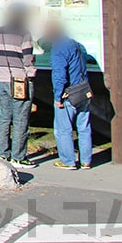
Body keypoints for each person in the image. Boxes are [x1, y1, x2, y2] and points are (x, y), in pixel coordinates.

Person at [0, 3, 37, 168]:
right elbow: (28, 59)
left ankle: (2, 153)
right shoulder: (24, 33)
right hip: (19, 80)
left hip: (1, 78)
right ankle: (18, 157)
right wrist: (31, 73)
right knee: (20, 119)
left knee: (4, 118)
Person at [44, 21, 93, 170]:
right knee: (84, 127)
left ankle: (68, 161)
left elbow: (60, 76)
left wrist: (58, 97)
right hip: (84, 90)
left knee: (63, 129)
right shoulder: (74, 44)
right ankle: (86, 160)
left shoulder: (59, 49)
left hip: (69, 94)